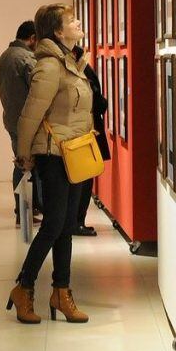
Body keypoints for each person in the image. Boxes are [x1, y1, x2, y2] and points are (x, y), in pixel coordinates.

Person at [7, 3, 94, 325]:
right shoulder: (49, 66)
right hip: (53, 153)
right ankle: (24, 286)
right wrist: (24, 153)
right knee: (55, 224)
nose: (79, 22)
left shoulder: (71, 62)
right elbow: (30, 114)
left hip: (74, 151)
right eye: (72, 20)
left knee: (66, 225)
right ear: (58, 31)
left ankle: (62, 291)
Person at [0, 19, 41, 225]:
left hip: (12, 119)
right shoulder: (25, 58)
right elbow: (38, 89)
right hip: (26, 123)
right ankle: (24, 213)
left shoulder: (6, 56)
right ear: (32, 38)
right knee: (25, 167)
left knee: (22, 164)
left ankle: (24, 211)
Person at [74, 43, 110, 237]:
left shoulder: (81, 72)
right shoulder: (82, 72)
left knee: (84, 178)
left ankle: (76, 220)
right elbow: (98, 100)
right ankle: (77, 221)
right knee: (84, 179)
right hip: (86, 132)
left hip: (86, 131)